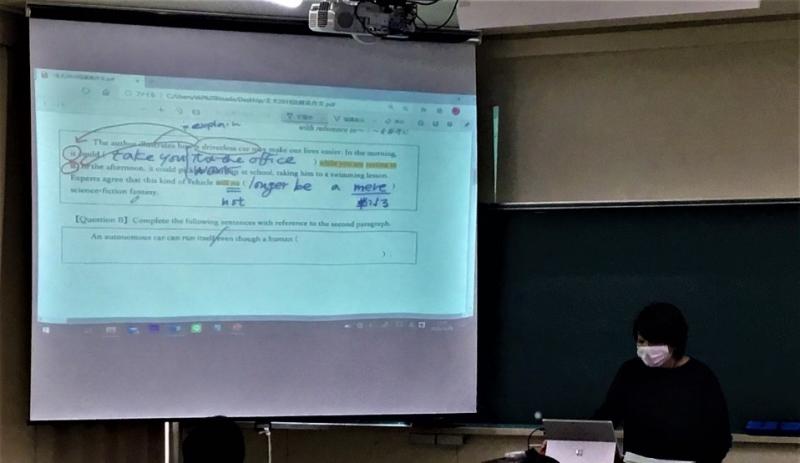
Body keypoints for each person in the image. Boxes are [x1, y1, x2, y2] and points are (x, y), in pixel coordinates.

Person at [594, 303, 731, 463]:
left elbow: (720, 439)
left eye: (653, 343)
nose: (646, 348)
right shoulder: (630, 372)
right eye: (641, 341)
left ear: (674, 343)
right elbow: (607, 418)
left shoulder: (702, 378)